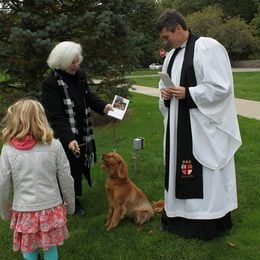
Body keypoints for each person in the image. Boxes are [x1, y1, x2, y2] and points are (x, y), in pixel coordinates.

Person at [156, 9, 242, 240]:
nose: (165, 42)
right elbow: (163, 88)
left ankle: (208, 220)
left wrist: (189, 92)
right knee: (178, 167)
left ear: (180, 28)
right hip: (178, 125)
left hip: (202, 127)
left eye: (167, 36)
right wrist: (165, 94)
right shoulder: (171, 57)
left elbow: (221, 87)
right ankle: (177, 216)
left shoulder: (207, 47)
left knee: (205, 169)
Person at [42, 41, 113, 215]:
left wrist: (105, 107)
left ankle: (71, 196)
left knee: (78, 165)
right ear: (61, 61)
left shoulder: (80, 75)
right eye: (72, 62)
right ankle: (70, 201)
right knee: (67, 168)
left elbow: (88, 96)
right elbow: (56, 117)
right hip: (63, 133)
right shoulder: (51, 83)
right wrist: (69, 139)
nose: (76, 65)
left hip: (81, 129)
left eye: (77, 60)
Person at [0, 99, 75, 260]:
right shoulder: (54, 145)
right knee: (50, 245)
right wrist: (70, 204)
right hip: (51, 208)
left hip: (24, 210)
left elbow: (2, 184)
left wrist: (5, 211)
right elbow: (66, 179)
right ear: (42, 118)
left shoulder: (8, 150)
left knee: (29, 245)